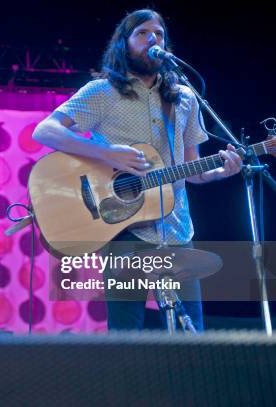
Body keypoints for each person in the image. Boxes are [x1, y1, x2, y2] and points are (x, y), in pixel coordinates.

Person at [32, 9, 242, 331]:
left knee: (193, 337)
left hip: (176, 229)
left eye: (159, 34)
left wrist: (219, 172)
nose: (153, 39)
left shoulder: (184, 98)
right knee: (126, 336)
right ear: (124, 43)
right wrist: (106, 153)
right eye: (142, 33)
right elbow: (45, 131)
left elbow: (189, 169)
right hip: (122, 228)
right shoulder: (102, 92)